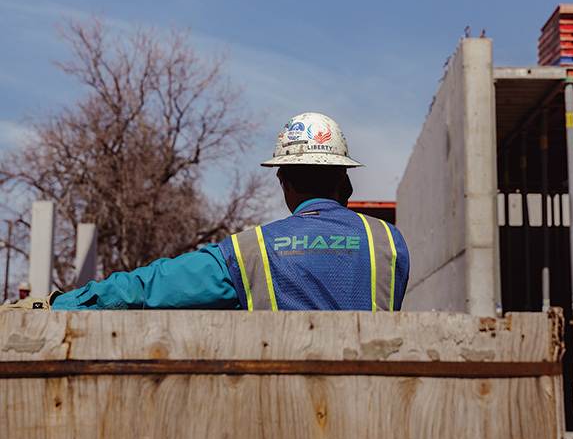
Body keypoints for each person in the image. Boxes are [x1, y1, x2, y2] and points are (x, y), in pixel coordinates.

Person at [3, 113, 410, 312]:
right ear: (346, 182)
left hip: (282, 424)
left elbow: (149, 286)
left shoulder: (251, 251)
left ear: (283, 182)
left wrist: (59, 305)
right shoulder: (391, 245)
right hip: (374, 419)